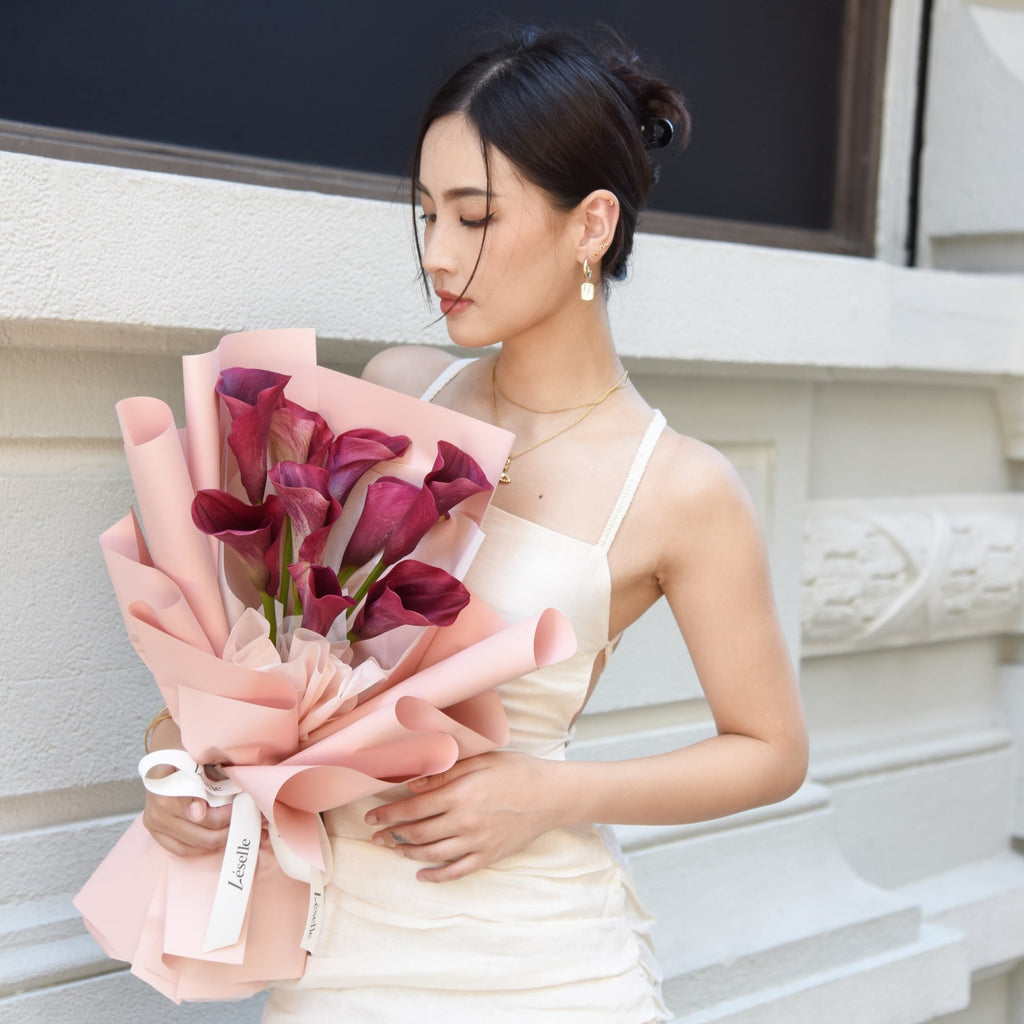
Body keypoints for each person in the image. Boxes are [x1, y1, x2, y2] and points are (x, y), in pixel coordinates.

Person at [144, 26, 807, 1023]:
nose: (437, 254)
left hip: (544, 968)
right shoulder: (397, 392)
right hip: (339, 954)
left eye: (476, 216)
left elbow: (769, 749)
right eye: (425, 213)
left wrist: (549, 793)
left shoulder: (679, 485)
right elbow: (275, 651)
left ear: (591, 225)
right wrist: (181, 750)